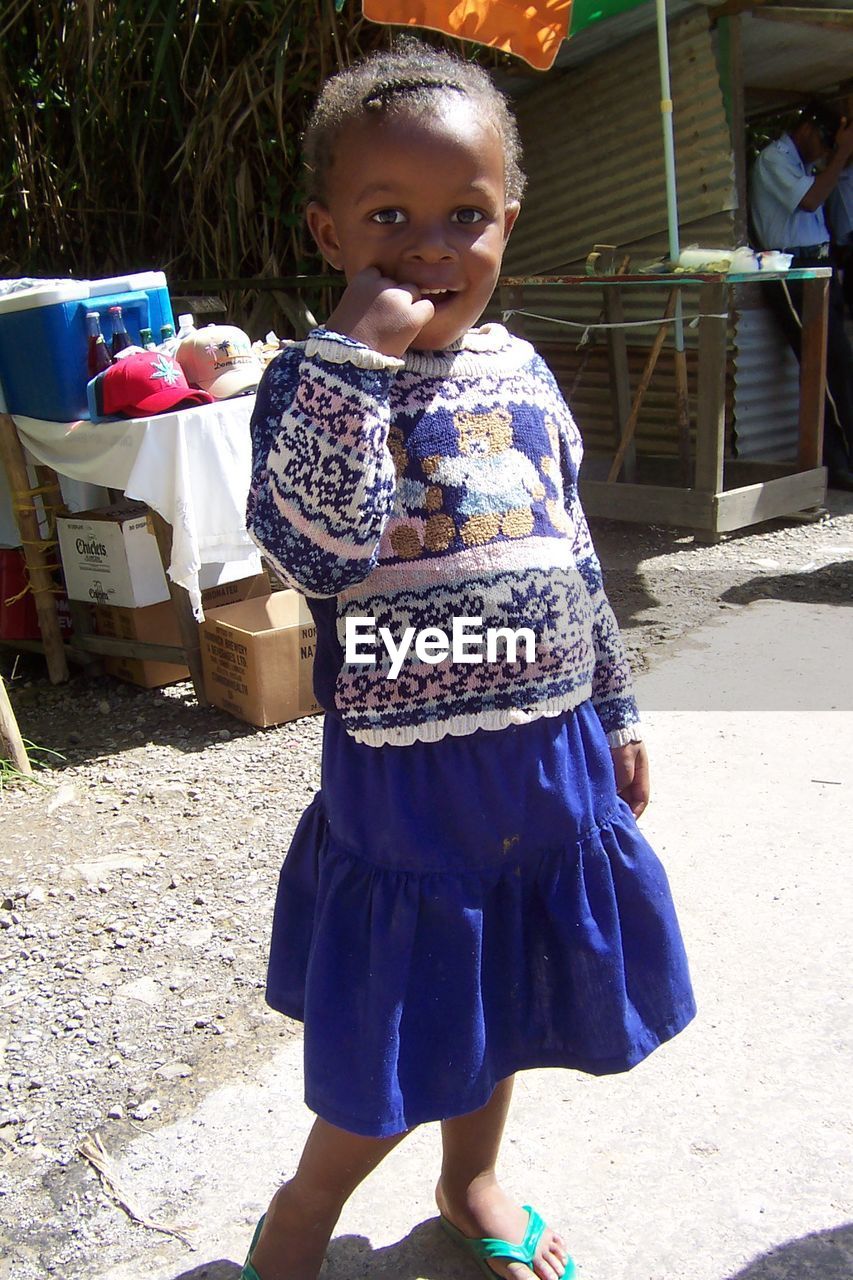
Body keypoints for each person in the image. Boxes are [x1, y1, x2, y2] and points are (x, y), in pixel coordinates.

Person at [242, 39, 696, 1280]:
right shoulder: (307, 382)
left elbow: (573, 553)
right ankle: (304, 1208)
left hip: (544, 755)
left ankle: (471, 1172)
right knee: (407, 1005)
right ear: (328, 232)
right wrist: (355, 361)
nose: (430, 246)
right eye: (389, 215)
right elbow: (313, 554)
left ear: (508, 221)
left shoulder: (524, 369)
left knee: (505, 979)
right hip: (409, 780)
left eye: (465, 216)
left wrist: (615, 702)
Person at [749, 101, 853, 490]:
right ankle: (838, 464)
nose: (827, 153)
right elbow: (809, 200)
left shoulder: (807, 163)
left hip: (818, 267)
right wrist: (841, 154)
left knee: (837, 363)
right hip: (791, 272)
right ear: (808, 129)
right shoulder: (774, 159)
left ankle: (842, 459)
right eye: (826, 144)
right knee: (824, 363)